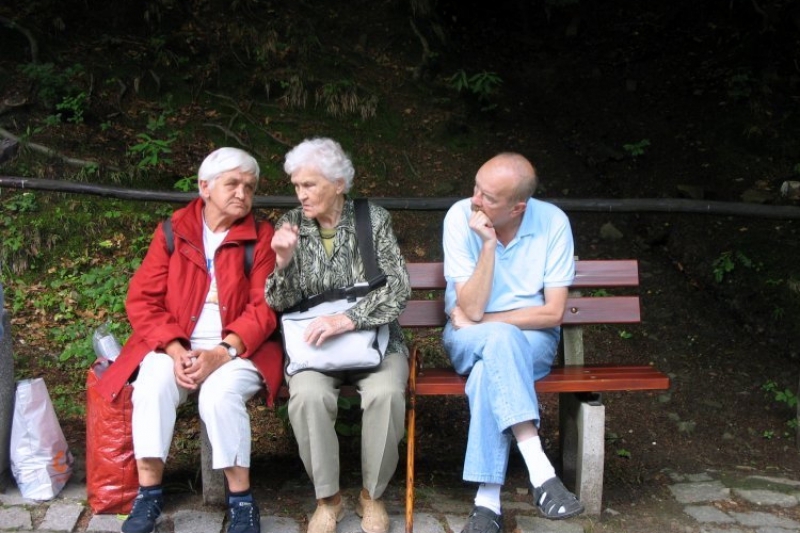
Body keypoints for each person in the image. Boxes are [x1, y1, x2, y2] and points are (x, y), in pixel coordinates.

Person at [95, 147, 284, 533]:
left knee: (219, 395)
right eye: (232, 184)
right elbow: (142, 299)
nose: (242, 193)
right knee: (152, 385)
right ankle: (148, 496)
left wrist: (221, 351)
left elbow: (264, 309)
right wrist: (175, 348)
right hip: (174, 344)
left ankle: (242, 501)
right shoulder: (173, 231)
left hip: (240, 349)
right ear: (204, 187)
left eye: (250, 186)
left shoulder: (261, 236)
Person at [265, 138, 411, 533]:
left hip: (377, 339)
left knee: (386, 394)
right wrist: (283, 261)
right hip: (315, 346)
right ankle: (328, 499)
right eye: (296, 186)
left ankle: (372, 496)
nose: (301, 194)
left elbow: (397, 288)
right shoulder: (290, 225)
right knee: (308, 396)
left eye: (310, 185)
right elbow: (280, 302)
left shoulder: (372, 219)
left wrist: (348, 320)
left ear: (339, 184)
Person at [442, 153, 583, 533]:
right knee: (497, 344)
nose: (474, 200)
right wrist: (487, 246)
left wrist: (488, 322)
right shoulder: (459, 217)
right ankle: (541, 471)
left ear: (518, 207)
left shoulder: (552, 223)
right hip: (467, 339)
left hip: (529, 339)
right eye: (475, 187)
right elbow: (467, 308)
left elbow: (552, 313)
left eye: (487, 197)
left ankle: (487, 504)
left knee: (491, 369)